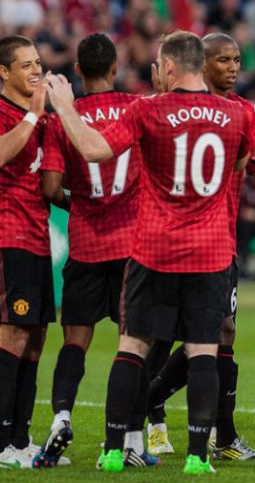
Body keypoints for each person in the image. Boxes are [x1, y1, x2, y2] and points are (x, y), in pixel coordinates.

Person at [44, 30, 254, 476]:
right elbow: (242, 163)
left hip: (154, 249)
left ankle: (114, 451)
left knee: (133, 346)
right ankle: (197, 458)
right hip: (211, 252)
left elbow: (94, 149)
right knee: (203, 351)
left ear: (170, 66)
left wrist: (64, 106)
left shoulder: (147, 109)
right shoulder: (236, 113)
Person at [143, 32, 255, 462]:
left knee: (221, 333)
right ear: (200, 64)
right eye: (223, 59)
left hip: (219, 247)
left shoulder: (242, 111)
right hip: (169, 243)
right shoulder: (171, 110)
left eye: (237, 59)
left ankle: (222, 436)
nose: (233, 67)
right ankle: (144, 416)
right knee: (160, 338)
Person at [32, 33, 159, 469]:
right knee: (135, 345)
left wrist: (81, 203)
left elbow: (50, 188)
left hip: (86, 245)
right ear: (116, 67)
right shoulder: (138, 107)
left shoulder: (59, 122)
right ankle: (133, 441)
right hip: (132, 248)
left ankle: (61, 417)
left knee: (75, 341)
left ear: (78, 71)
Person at [0, 35, 57, 470]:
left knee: (35, 340)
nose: (36, 70)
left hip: (37, 239)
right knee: (12, 336)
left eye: (37, 62)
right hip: (6, 237)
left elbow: (51, 184)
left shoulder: (43, 120)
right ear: (4, 72)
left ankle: (20, 441)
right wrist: (32, 115)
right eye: (26, 65)